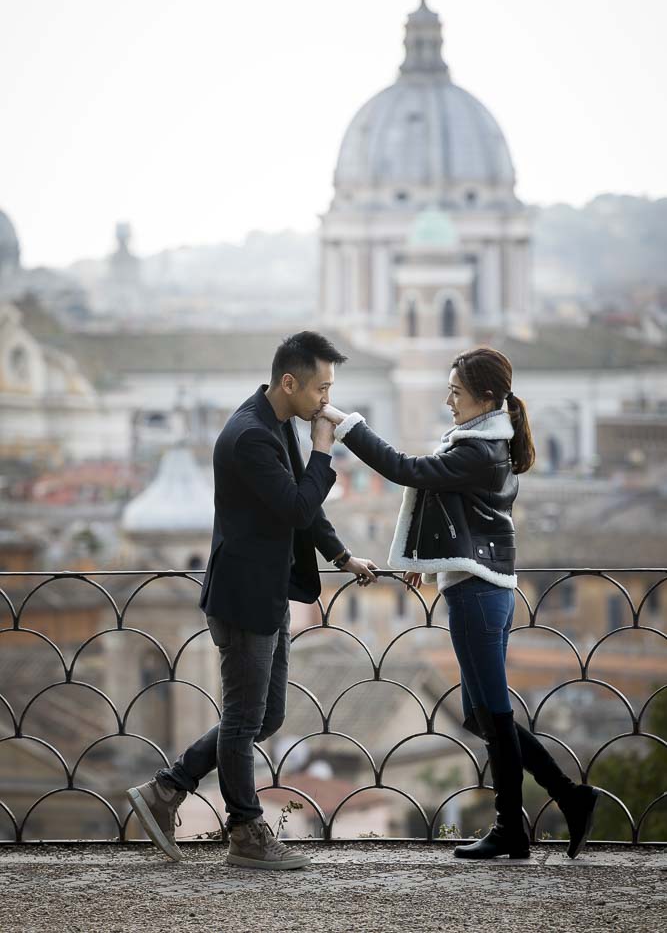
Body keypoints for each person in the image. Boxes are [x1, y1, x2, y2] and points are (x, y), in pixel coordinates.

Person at [317, 346, 600, 860]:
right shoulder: (484, 443)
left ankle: (517, 826)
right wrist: (423, 557)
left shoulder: (477, 450)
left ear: (486, 398)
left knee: (492, 711)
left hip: (477, 594)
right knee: (480, 714)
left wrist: (344, 423)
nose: (449, 400)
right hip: (481, 588)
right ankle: (566, 798)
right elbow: (455, 508)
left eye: (456, 392)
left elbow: (406, 470)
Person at [126, 331, 378, 869]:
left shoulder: (275, 423)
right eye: (321, 389)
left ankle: (165, 790)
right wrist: (324, 450)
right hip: (243, 600)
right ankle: (246, 833)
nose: (326, 402)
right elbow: (296, 505)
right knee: (244, 720)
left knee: (265, 717)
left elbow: (305, 513)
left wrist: (342, 557)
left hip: (266, 595)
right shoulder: (251, 437)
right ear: (290, 382)